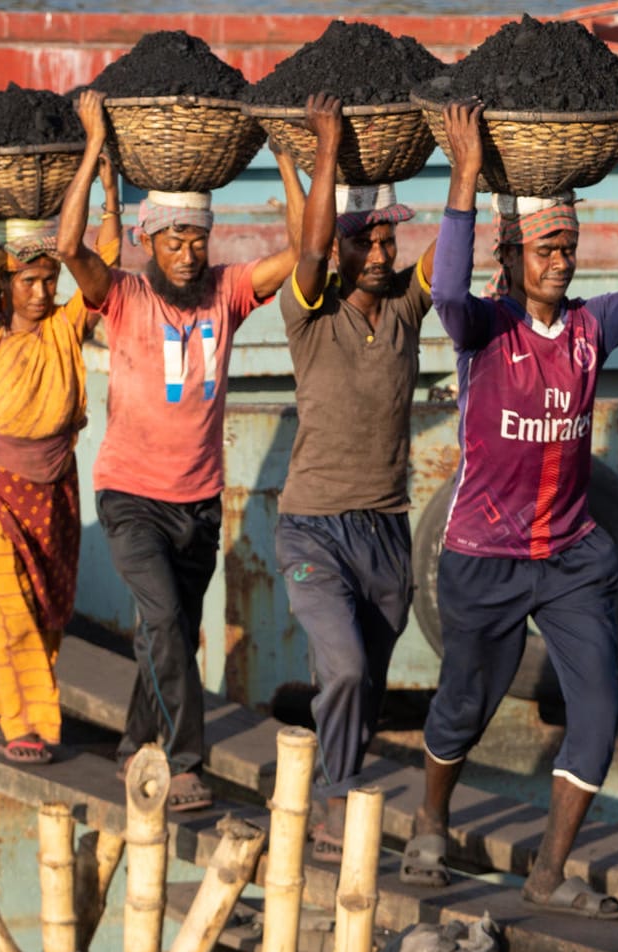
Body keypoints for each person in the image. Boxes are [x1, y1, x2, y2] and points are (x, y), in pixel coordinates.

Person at [402, 97, 618, 920]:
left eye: (569, 246)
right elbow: (446, 291)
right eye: (546, 248)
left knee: (599, 712)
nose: (561, 261)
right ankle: (432, 817)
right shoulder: (482, 330)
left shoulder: (591, 330)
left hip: (570, 561)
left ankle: (549, 869)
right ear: (515, 254)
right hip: (483, 558)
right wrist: (464, 175)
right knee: (465, 703)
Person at [56, 89, 301, 813]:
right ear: (148, 241)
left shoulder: (227, 292)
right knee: (166, 624)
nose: (189, 255)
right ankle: (186, 760)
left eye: (199, 239)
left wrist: (288, 161)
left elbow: (305, 253)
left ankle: (133, 742)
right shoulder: (126, 295)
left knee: (168, 631)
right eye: (174, 241)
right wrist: (98, 147)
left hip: (198, 500)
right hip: (131, 497)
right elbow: (69, 247)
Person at [275, 94, 439, 862]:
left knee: (365, 676)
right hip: (313, 526)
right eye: (364, 241)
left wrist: (472, 168)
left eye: (386, 238)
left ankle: (325, 768)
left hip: (386, 530)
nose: (380, 252)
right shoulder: (309, 312)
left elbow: (456, 253)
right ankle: (336, 802)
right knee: (341, 664)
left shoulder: (406, 308)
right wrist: (327, 149)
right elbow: (307, 252)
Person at [0, 144, 123, 765]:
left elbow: (106, 272)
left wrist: (108, 193)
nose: (43, 292)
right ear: (8, 282)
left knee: (39, 606)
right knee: (13, 607)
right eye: (30, 281)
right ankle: (31, 726)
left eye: (49, 280)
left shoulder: (65, 328)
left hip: (51, 487)